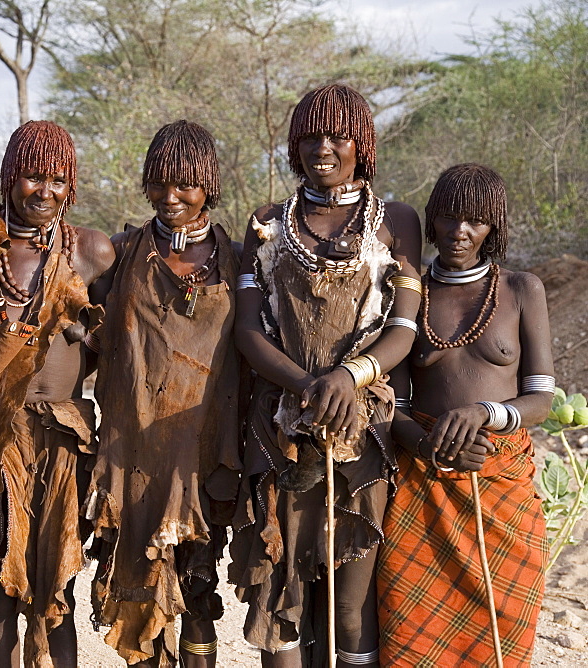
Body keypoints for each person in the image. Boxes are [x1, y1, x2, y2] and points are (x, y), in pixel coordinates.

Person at [230, 83, 422, 667]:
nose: (324, 147)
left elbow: (405, 327)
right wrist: (307, 385)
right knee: (281, 586)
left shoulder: (396, 221)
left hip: (361, 427)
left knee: (349, 603)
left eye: (338, 135)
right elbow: (247, 331)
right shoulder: (267, 222)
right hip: (280, 428)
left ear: (361, 143)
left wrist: (348, 376)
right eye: (310, 136)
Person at [376, 163, 553, 666]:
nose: (460, 232)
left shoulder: (522, 290)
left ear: (493, 227)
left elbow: (542, 398)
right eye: (449, 219)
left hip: (501, 481)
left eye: (475, 221)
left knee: (505, 626)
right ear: (431, 222)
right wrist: (427, 444)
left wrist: (485, 413)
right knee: (411, 629)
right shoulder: (408, 292)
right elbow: (397, 407)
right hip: (423, 483)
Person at [0, 120, 115, 667]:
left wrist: (76, 331)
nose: (43, 191)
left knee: (57, 587)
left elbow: (113, 341)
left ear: (71, 186)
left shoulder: (92, 252)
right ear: (8, 177)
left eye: (57, 180)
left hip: (66, 437)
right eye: (31, 177)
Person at [84, 119, 242, 667]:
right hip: (133, 454)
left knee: (196, 590)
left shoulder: (237, 260)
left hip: (203, 452)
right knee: (136, 581)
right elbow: (79, 331)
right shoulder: (119, 254)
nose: (169, 197)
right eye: (158, 183)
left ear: (209, 187)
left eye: (185, 185)